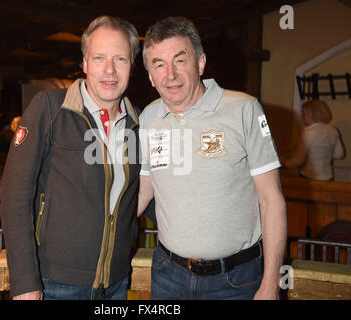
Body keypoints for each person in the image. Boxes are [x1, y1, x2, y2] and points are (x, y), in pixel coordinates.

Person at [137, 17, 287, 300]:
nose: (170, 74)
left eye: (180, 60)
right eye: (159, 64)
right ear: (150, 76)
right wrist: (101, 229)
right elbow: (144, 190)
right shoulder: (149, 117)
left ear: (201, 63)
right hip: (168, 275)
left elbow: (272, 200)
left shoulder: (244, 110)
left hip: (236, 280)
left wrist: (271, 283)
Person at [0, 16, 143, 300]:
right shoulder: (50, 108)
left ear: (132, 66)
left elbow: (143, 195)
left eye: (121, 59)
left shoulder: (138, 123)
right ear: (85, 64)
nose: (110, 70)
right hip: (55, 283)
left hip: (116, 283)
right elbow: (14, 196)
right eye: (99, 58)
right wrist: (25, 282)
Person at [283, 99, 344, 181]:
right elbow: (339, 154)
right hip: (328, 178)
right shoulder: (333, 130)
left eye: (304, 114)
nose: (302, 117)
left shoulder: (308, 132)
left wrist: (284, 164)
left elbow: (298, 160)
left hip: (309, 178)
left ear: (312, 114)